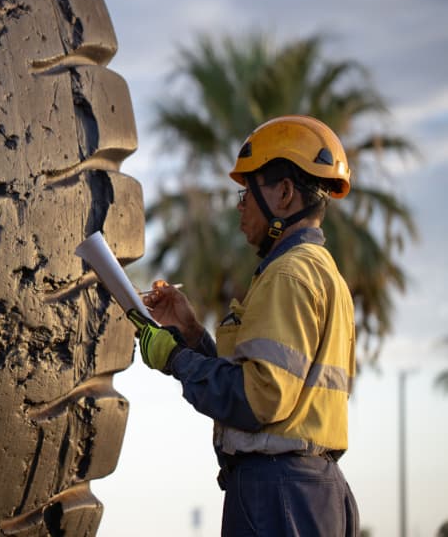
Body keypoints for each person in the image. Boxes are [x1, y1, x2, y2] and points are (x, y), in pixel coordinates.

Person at [136, 115, 360, 536]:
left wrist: (175, 359)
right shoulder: (322, 272)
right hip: (311, 490)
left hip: (278, 494)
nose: (240, 207)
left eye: (247, 192)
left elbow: (259, 400)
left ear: (286, 193)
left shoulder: (287, 275)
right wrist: (190, 332)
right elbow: (264, 382)